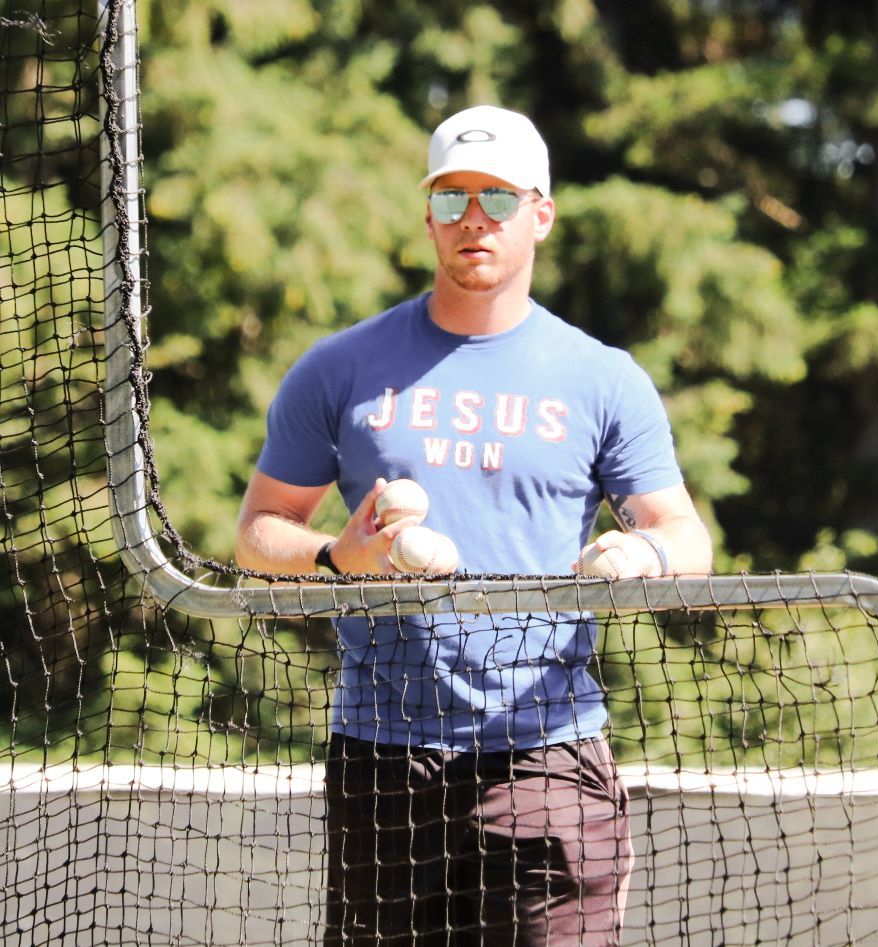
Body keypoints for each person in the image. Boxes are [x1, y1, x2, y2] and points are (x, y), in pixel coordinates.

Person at [236, 104, 712, 946]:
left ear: (541, 214)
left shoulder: (604, 379)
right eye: (451, 200)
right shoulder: (339, 367)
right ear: (427, 217)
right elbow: (258, 533)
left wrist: (641, 547)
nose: (473, 220)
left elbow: (687, 539)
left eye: (495, 197)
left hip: (548, 750)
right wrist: (338, 557)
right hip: (383, 754)